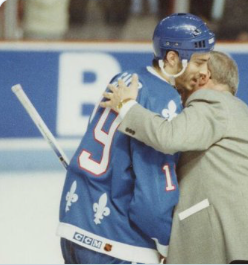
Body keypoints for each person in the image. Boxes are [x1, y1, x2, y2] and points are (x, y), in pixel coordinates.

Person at [100, 51, 248, 264]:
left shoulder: (212, 103)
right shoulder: (237, 113)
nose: (178, 93)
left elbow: (169, 136)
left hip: (235, 247)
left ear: (204, 77)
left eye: (182, 87)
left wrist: (126, 106)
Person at [56, 13, 215, 263]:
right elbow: (153, 196)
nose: (204, 72)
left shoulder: (125, 79)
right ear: (173, 58)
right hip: (116, 244)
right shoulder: (163, 101)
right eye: (199, 62)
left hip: (74, 226)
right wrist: (166, 242)